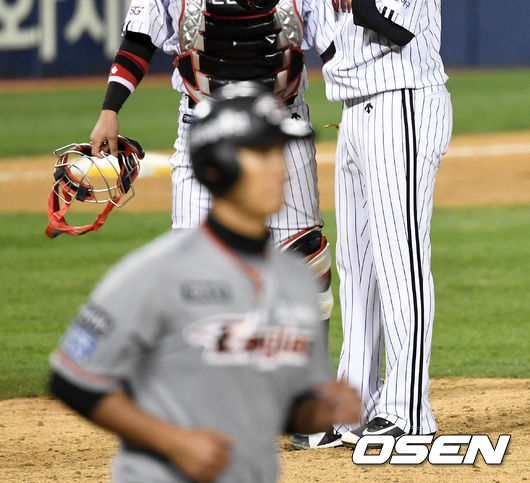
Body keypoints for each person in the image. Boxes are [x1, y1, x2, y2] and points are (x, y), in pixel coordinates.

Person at [49, 82, 361, 482]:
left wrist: (316, 412)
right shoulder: (160, 271)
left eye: (279, 152)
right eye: (261, 154)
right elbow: (72, 378)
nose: (280, 169)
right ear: (217, 166)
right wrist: (174, 442)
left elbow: (276, 402)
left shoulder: (297, 280)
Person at [89, 0, 335, 330]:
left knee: (303, 262)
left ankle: (303, 377)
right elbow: (139, 37)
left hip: (281, 126)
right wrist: (110, 109)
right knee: (195, 268)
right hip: (201, 125)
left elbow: (332, 43)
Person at [267, 0, 453, 446]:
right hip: (355, 112)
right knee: (357, 265)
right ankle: (353, 404)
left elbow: (396, 26)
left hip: (404, 103)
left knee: (400, 261)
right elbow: (326, 42)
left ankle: (407, 411)